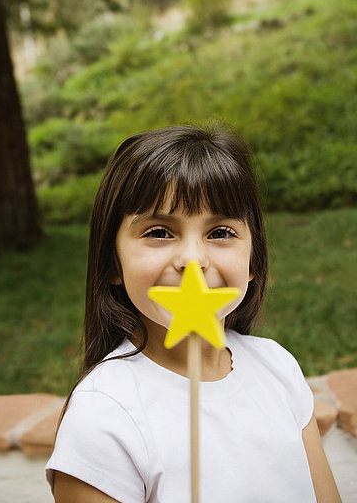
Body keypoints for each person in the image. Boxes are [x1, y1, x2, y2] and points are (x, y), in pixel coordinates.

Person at [46, 124, 341, 503]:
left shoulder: (278, 368)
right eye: (158, 232)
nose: (193, 260)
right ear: (112, 264)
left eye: (220, 232)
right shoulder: (103, 418)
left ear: (254, 260)